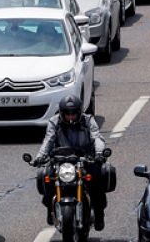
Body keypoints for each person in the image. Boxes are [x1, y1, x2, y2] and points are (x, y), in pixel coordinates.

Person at [32, 95, 110, 231]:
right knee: (46, 177)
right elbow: (48, 140)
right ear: (62, 113)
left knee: (98, 177)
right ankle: (51, 207)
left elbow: (97, 137)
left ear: (79, 112)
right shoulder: (54, 122)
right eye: (67, 114)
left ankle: (99, 214)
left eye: (73, 113)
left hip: (84, 159)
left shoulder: (88, 120)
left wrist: (99, 154)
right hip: (60, 160)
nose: (70, 117)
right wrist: (39, 157)